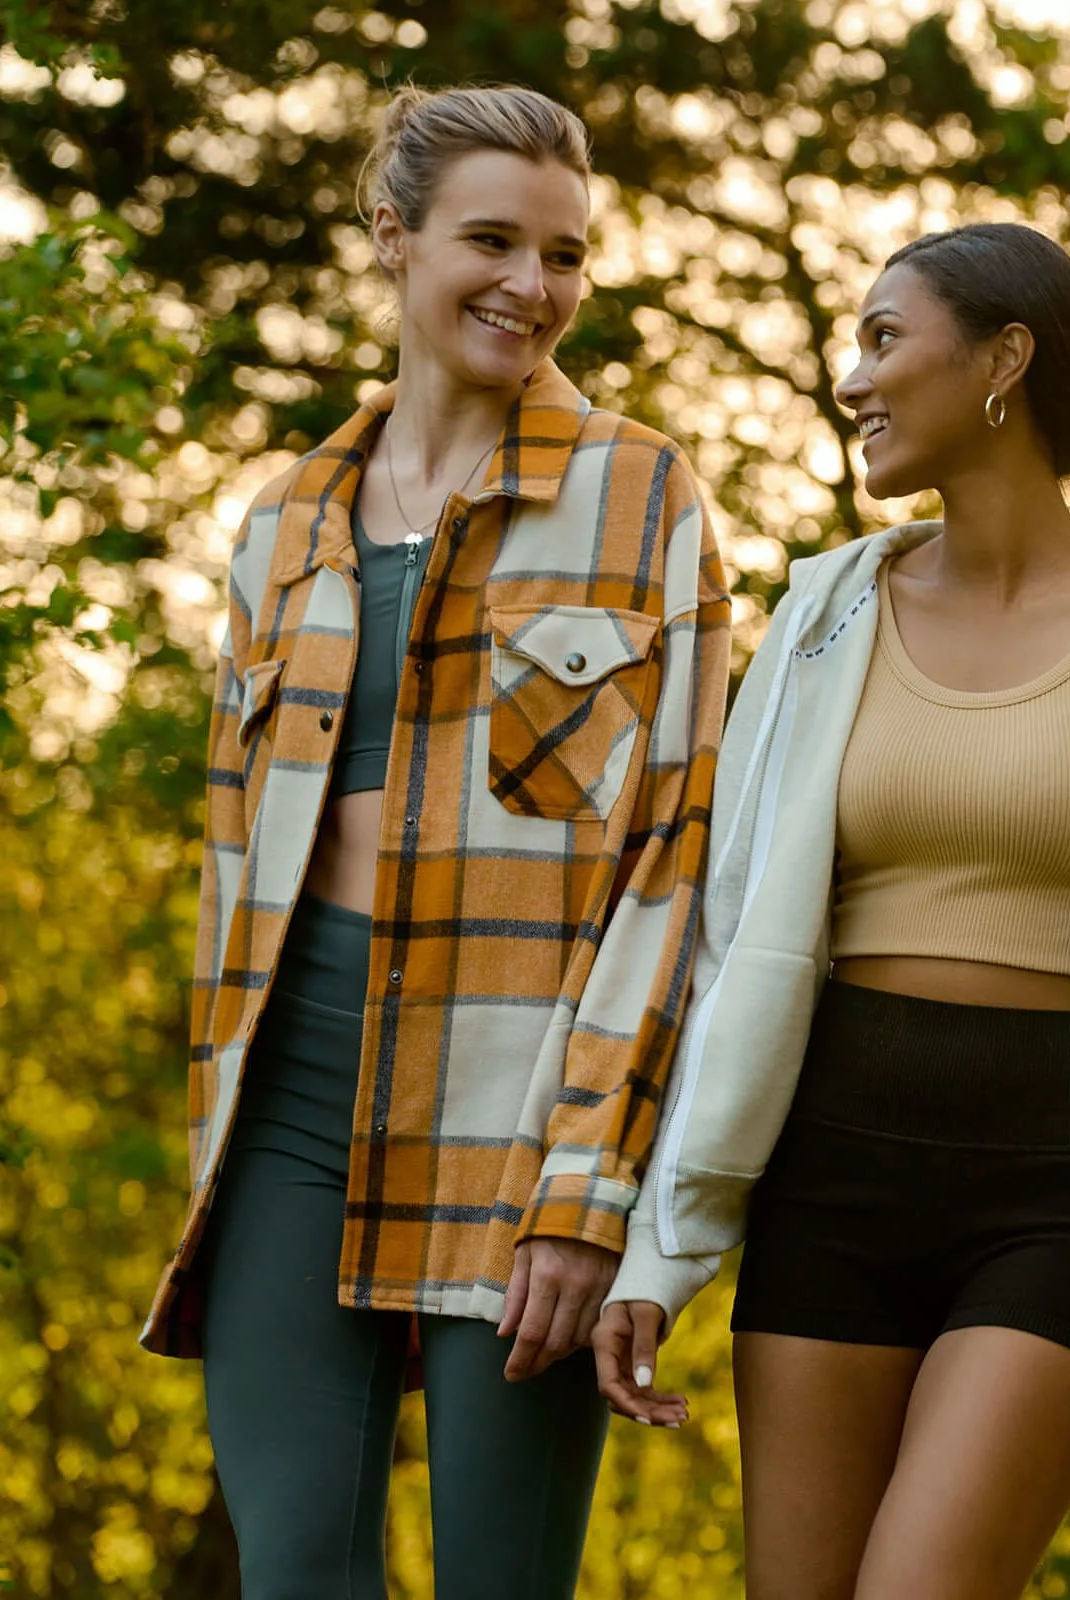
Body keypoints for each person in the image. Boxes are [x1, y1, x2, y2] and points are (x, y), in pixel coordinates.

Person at [594, 220, 1070, 1599]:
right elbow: (729, 937)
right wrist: (659, 1245)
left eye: (883, 338)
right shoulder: (821, 616)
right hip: (825, 1177)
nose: (853, 377)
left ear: (1004, 362)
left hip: (1052, 1202)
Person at [141, 84, 730, 1599]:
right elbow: (231, 876)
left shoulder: (644, 495)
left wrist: (587, 1190)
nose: (533, 288)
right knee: (298, 1573)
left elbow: (675, 863)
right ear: (393, 240)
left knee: (496, 1580)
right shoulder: (282, 524)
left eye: (567, 255)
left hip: (518, 1105)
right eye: (492, 240)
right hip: (287, 1105)